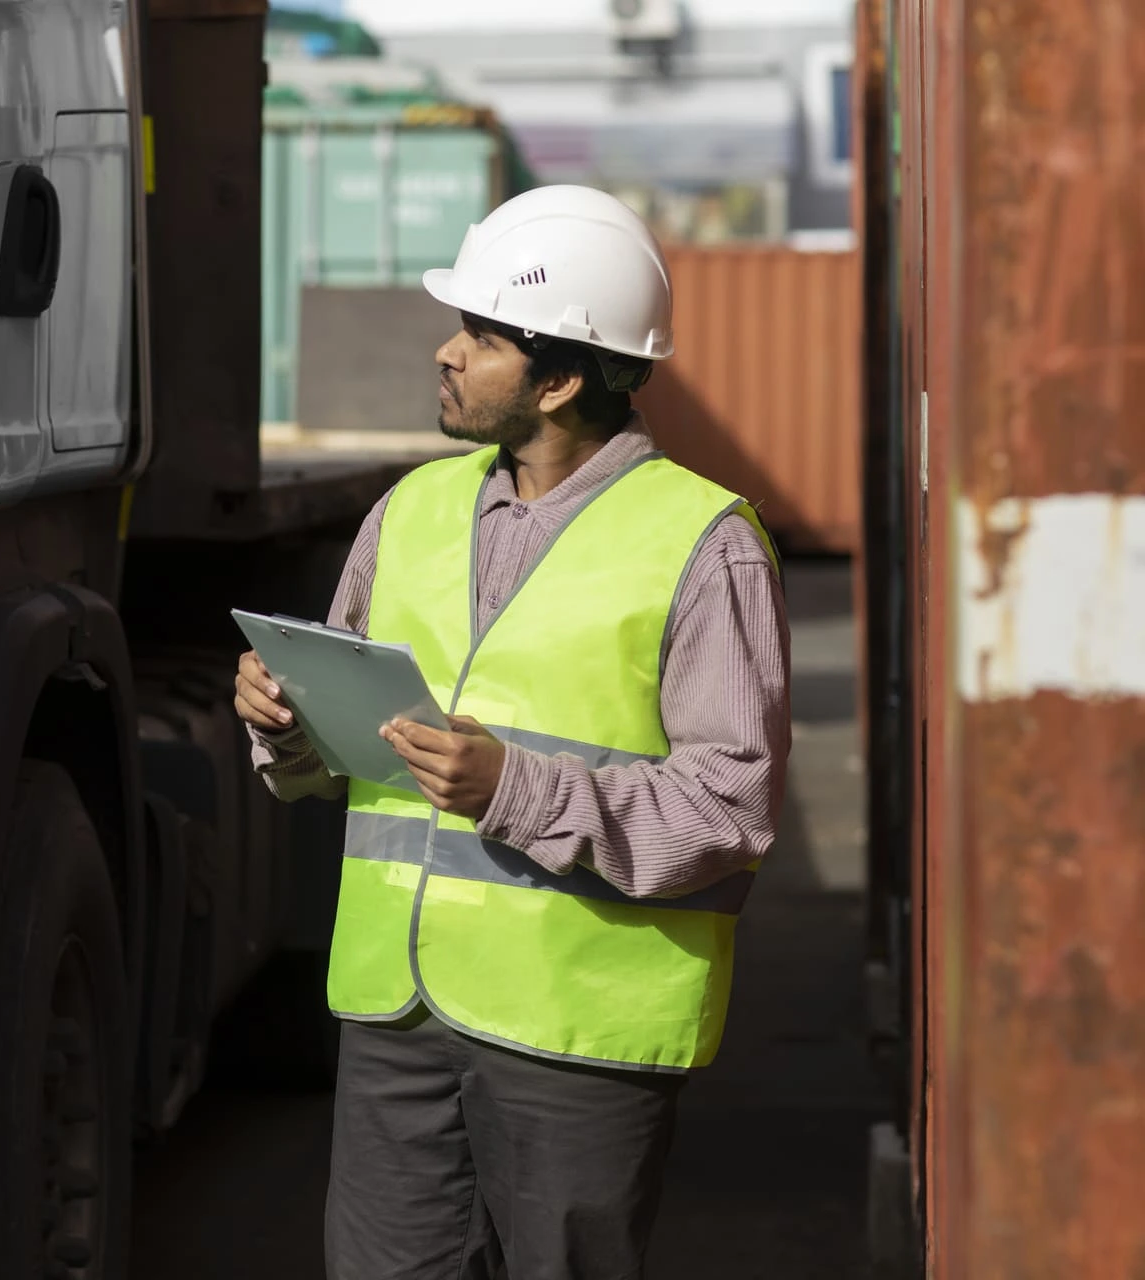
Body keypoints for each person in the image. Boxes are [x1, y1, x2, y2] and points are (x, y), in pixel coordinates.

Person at [233, 185, 791, 1280]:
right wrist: (287, 725)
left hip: (577, 1036)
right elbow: (332, 762)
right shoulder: (410, 512)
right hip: (396, 1014)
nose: (444, 353)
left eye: (479, 337)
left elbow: (732, 807)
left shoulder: (703, 543)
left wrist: (513, 788)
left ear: (562, 375)